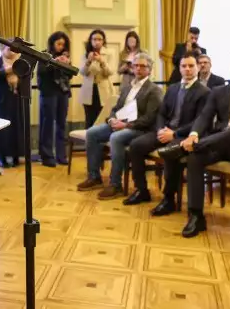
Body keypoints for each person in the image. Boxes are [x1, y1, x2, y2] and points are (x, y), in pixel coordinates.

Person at [158, 52, 230, 238]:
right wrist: (193, 135)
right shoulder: (219, 91)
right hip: (219, 144)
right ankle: (196, 216)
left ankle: (181, 147)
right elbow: (204, 117)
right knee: (195, 158)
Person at [124, 52, 209, 207]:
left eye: (191, 66)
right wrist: (160, 129)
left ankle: (169, 199)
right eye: (184, 66)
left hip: (184, 135)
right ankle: (141, 190)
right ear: (179, 68)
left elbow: (199, 121)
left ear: (197, 67)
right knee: (135, 146)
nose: (187, 69)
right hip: (165, 130)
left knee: (169, 152)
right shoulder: (173, 88)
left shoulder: (204, 92)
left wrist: (174, 134)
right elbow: (161, 113)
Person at [77, 53, 162, 200]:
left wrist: (126, 125)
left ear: (150, 69)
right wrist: (111, 120)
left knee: (116, 138)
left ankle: (115, 184)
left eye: (143, 66)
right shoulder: (127, 87)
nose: (138, 68)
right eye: (136, 65)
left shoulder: (154, 90)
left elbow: (149, 118)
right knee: (92, 132)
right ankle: (94, 176)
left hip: (139, 129)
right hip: (119, 123)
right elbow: (116, 108)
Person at [37, 31, 72, 167]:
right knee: (48, 124)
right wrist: (54, 63)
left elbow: (70, 75)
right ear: (52, 43)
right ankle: (47, 156)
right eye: (58, 44)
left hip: (63, 92)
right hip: (48, 93)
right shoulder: (44, 54)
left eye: (63, 44)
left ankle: (61, 155)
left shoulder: (66, 56)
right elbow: (41, 72)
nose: (61, 47)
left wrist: (67, 64)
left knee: (61, 124)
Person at [0, 44, 24, 169]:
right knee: (2, 130)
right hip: (2, 100)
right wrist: (7, 71)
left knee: (16, 129)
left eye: (14, 50)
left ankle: (16, 156)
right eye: (9, 49)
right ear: (4, 49)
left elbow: (26, 77)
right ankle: (2, 157)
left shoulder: (20, 62)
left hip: (17, 98)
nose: (11, 52)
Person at [78, 29, 114, 128]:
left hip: (103, 90)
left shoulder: (109, 53)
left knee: (102, 119)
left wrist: (102, 61)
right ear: (90, 41)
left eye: (99, 39)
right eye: (94, 39)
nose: (97, 42)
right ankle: (88, 137)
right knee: (89, 119)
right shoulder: (86, 54)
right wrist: (88, 61)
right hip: (89, 90)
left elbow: (110, 72)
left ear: (103, 41)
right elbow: (82, 72)